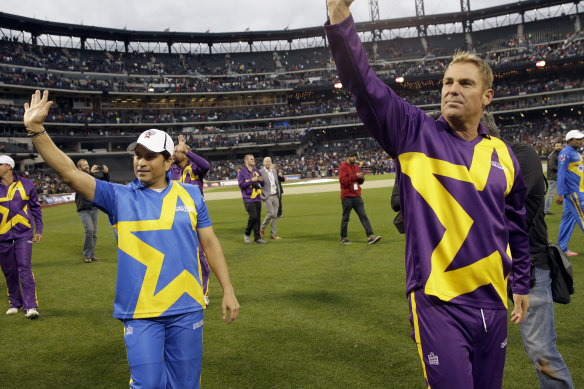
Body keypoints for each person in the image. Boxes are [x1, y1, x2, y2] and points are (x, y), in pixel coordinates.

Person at [325, 3, 530, 388]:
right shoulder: (414, 133)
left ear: (487, 97)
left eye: (465, 83)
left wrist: (520, 283)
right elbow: (364, 84)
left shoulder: (503, 154)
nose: (452, 88)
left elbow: (516, 225)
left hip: (493, 305)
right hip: (439, 304)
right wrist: (339, 15)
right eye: (447, 82)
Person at [23, 90, 239, 388]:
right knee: (148, 384)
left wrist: (227, 289)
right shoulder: (118, 197)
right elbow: (71, 173)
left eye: (150, 156)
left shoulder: (191, 195)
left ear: (167, 162)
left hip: (187, 306)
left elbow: (210, 242)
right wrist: (37, 131)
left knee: (187, 384)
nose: (141, 162)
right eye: (137, 155)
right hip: (141, 312)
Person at [509, 142, 575, 389]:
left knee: (542, 353)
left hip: (529, 265)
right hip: (483, 268)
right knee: (478, 349)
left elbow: (502, 206)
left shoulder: (520, 154)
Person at [170, 134, 212, 305]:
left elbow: (206, 165)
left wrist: (187, 150)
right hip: (175, 219)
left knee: (201, 257)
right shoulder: (170, 171)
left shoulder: (195, 169)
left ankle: (203, 293)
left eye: (176, 151)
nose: (173, 153)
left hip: (196, 219)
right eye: (172, 151)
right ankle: (177, 291)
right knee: (175, 256)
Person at [0, 155, 43, 319]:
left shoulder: (26, 184)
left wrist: (39, 228)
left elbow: (36, 208)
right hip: (2, 236)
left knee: (24, 267)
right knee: (9, 271)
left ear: (8, 166)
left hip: (23, 234)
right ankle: (15, 303)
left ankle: (31, 306)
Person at [338, 152, 381, 244]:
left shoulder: (357, 167)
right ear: (347, 157)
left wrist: (361, 178)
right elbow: (343, 181)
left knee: (364, 217)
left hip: (357, 196)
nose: (354, 158)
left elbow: (359, 182)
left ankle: (371, 237)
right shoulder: (343, 167)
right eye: (352, 156)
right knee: (346, 218)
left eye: (355, 156)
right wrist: (355, 176)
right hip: (347, 197)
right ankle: (343, 238)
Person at [75, 159, 110, 263]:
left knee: (94, 232)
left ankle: (91, 255)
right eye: (84, 165)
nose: (86, 166)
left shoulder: (92, 176)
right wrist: (91, 173)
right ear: (79, 168)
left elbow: (105, 183)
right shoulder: (77, 176)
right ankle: (87, 254)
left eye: (87, 164)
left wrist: (106, 173)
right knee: (89, 229)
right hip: (83, 208)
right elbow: (84, 182)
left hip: (94, 207)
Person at [556, 129, 584, 257]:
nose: (581, 141)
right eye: (578, 139)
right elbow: (561, 173)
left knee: (568, 220)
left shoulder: (574, 152)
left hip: (577, 191)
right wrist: (560, 193)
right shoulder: (565, 153)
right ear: (570, 141)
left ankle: (561, 248)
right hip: (575, 193)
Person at [237, 154, 266, 244]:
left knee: (257, 218)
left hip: (257, 197)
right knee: (253, 216)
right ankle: (247, 233)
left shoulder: (257, 171)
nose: (253, 160)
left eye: (253, 159)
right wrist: (251, 181)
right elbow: (241, 185)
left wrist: (261, 181)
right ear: (246, 161)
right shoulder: (242, 172)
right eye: (251, 159)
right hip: (248, 198)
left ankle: (257, 238)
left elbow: (263, 184)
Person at [260, 156, 282, 240]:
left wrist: (278, 194)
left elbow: (277, 183)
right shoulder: (260, 172)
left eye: (269, 161)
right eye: (266, 161)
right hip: (267, 196)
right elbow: (258, 184)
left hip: (275, 195)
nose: (267, 163)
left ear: (271, 162)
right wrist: (262, 196)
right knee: (271, 214)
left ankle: (273, 234)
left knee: (275, 216)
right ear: (263, 163)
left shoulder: (274, 171)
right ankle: (262, 229)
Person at [544, 142, 562, 215]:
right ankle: (545, 210)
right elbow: (552, 167)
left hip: (557, 176)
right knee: (550, 194)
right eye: (557, 146)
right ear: (554, 147)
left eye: (560, 146)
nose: (559, 147)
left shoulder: (559, 154)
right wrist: (562, 169)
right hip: (553, 177)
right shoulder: (552, 155)